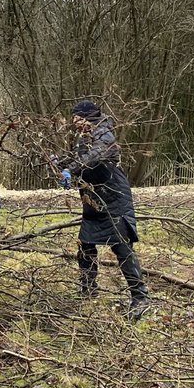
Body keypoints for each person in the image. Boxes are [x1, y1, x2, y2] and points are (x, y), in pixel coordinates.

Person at [57, 99, 150, 320]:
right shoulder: (84, 137)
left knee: (121, 247)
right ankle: (88, 289)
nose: (74, 122)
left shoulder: (104, 134)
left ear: (87, 117)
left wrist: (71, 169)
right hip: (94, 199)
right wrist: (59, 162)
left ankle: (140, 297)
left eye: (77, 117)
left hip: (113, 199)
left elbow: (94, 156)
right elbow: (77, 158)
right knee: (85, 244)